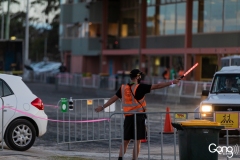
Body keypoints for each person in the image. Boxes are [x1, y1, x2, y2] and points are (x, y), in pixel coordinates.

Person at [95, 69, 179, 160]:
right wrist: (172, 82)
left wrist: (103, 107)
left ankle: (120, 158)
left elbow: (114, 98)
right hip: (138, 117)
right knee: (137, 141)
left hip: (128, 117)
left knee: (126, 140)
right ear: (138, 77)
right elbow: (158, 86)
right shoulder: (140, 87)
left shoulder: (123, 87)